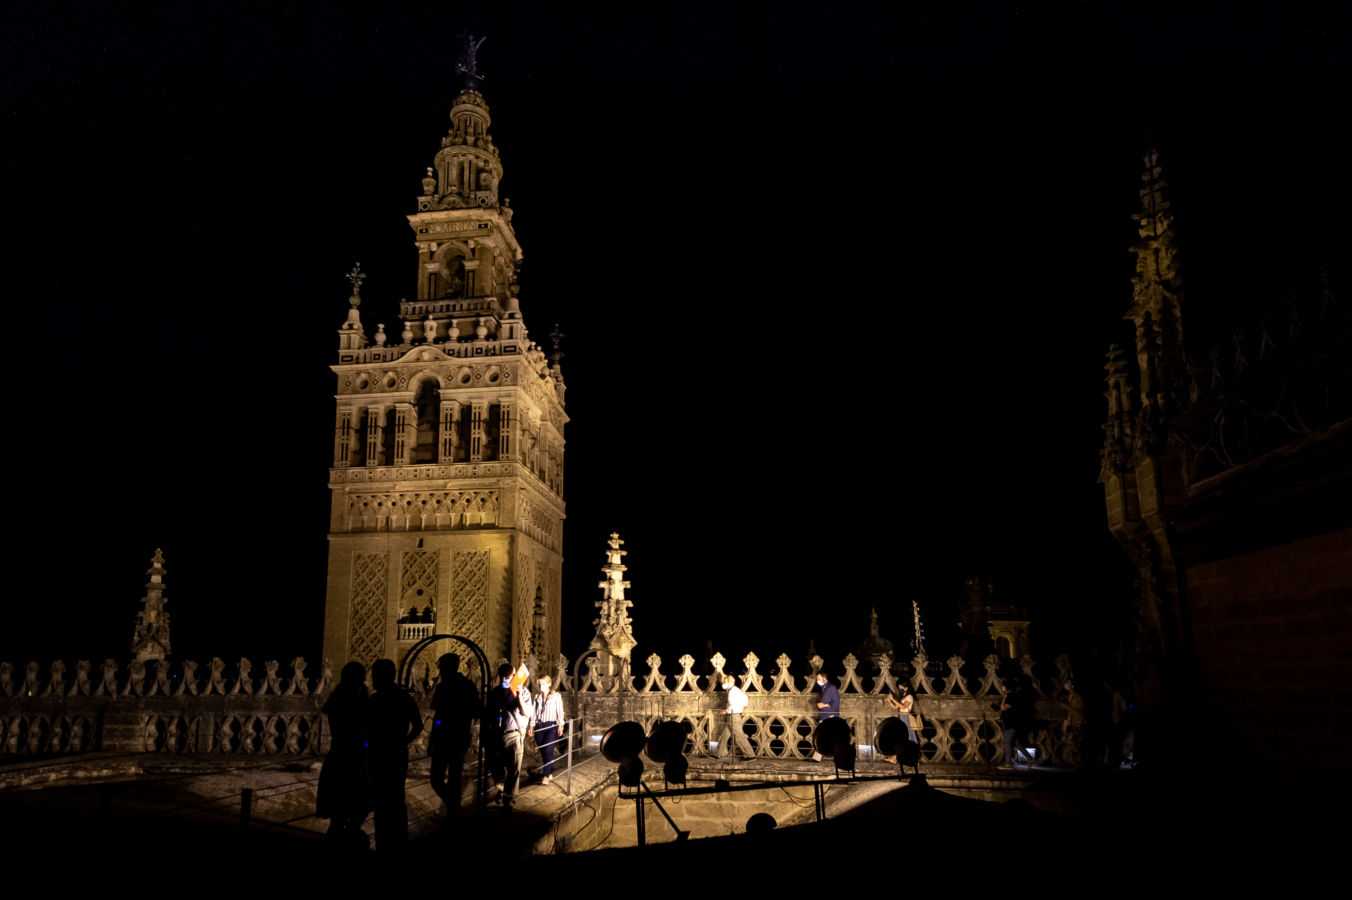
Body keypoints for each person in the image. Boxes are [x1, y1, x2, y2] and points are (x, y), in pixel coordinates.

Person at [366, 658, 424, 850]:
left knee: (383, 797)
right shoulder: (403, 697)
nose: (372, 678)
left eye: (374, 674)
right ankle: (397, 840)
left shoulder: (375, 700)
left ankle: (386, 841)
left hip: (380, 754)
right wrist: (403, 742)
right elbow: (418, 726)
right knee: (395, 797)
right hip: (396, 753)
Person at [316, 661, 370, 846]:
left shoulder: (351, 694)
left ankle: (345, 834)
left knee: (351, 804)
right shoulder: (346, 696)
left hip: (345, 754)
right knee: (345, 804)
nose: (364, 680)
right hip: (347, 755)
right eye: (361, 677)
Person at [429, 653, 481, 813]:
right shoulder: (463, 686)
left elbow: (437, 712)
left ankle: (453, 807)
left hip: (450, 737)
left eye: (441, 667)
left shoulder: (457, 686)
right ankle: (453, 804)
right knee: (449, 776)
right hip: (456, 736)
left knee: (441, 777)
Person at [485, 662, 534, 809]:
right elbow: (488, 713)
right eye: (506, 675)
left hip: (514, 733)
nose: (509, 677)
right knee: (496, 767)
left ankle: (508, 798)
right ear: (501, 676)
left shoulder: (524, 692)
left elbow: (527, 712)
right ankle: (502, 788)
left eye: (511, 675)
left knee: (514, 769)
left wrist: (518, 696)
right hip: (496, 735)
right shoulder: (495, 693)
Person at [534, 674, 565, 784]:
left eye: (542, 684)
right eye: (539, 684)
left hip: (551, 726)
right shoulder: (537, 697)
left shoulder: (556, 696)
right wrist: (531, 726)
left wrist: (561, 725)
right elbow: (534, 713)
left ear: (549, 684)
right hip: (539, 727)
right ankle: (550, 770)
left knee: (548, 749)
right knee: (544, 751)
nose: (540, 686)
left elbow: (560, 711)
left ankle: (546, 775)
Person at [714, 674, 755, 759]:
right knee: (724, 735)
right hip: (735, 715)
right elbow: (745, 702)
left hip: (733, 716)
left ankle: (750, 755)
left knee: (739, 736)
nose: (723, 684)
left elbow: (733, 705)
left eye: (724, 682)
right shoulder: (736, 690)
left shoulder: (732, 692)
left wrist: (726, 711)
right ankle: (719, 753)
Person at [810, 672, 840, 762]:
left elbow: (821, 704)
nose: (817, 681)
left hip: (828, 716)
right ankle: (818, 757)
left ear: (824, 678)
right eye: (817, 679)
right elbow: (823, 704)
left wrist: (822, 704)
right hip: (828, 716)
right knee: (825, 737)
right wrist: (824, 704)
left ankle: (819, 757)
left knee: (822, 737)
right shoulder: (825, 688)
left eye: (819, 679)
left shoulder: (829, 688)